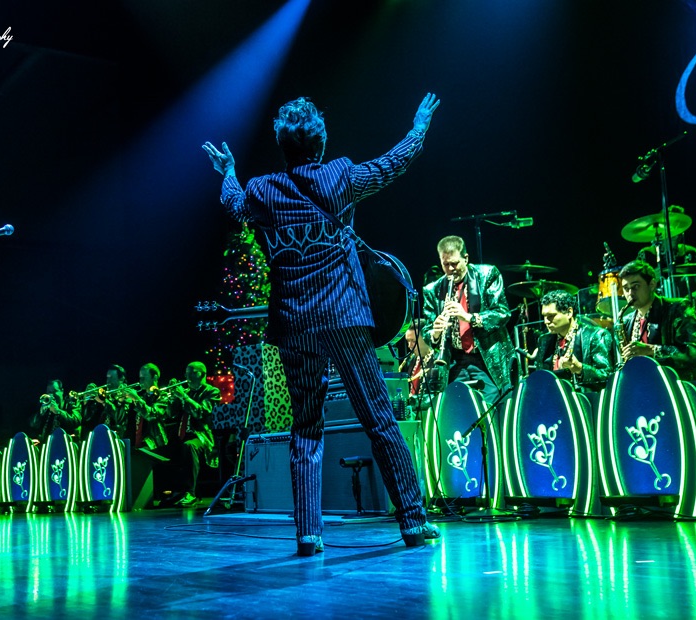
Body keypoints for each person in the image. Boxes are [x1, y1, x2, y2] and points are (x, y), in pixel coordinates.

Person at [203, 93, 442, 555]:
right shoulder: (341, 175)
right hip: (344, 318)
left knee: (306, 426)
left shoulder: (262, 189)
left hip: (293, 324)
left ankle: (308, 533)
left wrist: (228, 169)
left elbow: (233, 203)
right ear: (322, 140)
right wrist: (419, 126)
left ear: (281, 146)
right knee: (380, 420)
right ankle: (412, 522)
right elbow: (394, 164)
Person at [421, 235, 514, 404]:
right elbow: (427, 331)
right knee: (459, 411)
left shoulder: (487, 275)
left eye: (455, 263)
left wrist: (469, 317)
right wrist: (435, 332)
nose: (450, 269)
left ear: (466, 258)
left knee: (489, 410)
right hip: (454, 362)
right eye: (445, 264)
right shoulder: (432, 290)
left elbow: (502, 313)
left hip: (486, 358)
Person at [618, 260, 696, 382]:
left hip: (678, 387)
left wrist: (652, 350)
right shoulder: (626, 321)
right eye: (626, 288)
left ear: (652, 285)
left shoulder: (679, 307)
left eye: (636, 286)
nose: (630, 293)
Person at [159, 361, 221, 507]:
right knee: (161, 449)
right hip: (182, 436)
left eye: (192, 372)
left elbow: (202, 413)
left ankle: (190, 493)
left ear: (202, 374)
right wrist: (174, 398)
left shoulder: (211, 392)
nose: (187, 376)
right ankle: (170, 492)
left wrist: (184, 398)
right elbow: (170, 415)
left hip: (202, 437)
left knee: (189, 446)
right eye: (186, 372)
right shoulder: (185, 392)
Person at [534, 290, 614, 391]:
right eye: (544, 317)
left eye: (551, 316)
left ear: (569, 312)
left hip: (586, 402)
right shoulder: (544, 341)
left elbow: (607, 377)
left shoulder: (596, 335)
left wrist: (580, 369)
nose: (546, 321)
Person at [75, 364, 139, 438]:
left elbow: (118, 419)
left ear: (121, 379)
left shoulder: (128, 395)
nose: (108, 381)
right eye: (107, 378)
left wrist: (103, 401)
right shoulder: (105, 395)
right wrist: (86, 401)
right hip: (102, 437)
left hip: (120, 439)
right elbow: (87, 419)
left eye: (111, 378)